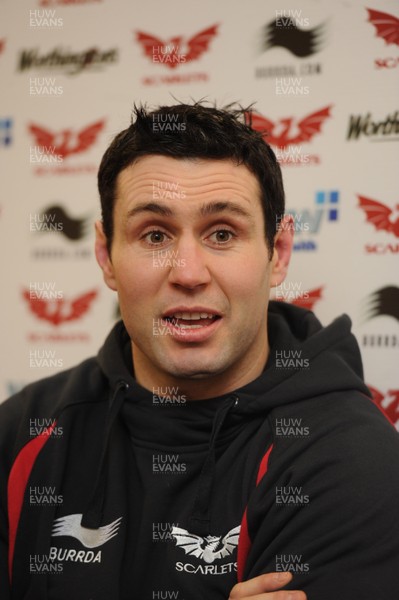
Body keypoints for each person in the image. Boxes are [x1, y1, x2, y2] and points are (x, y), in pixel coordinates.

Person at [1, 102, 398, 600]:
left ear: (279, 253)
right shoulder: (23, 432)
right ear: (105, 255)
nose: (188, 272)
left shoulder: (350, 460)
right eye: (155, 235)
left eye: (222, 234)